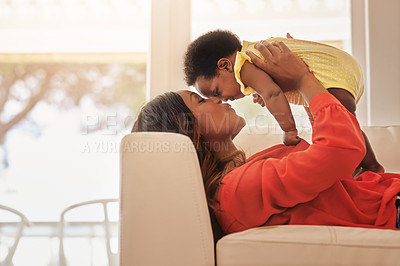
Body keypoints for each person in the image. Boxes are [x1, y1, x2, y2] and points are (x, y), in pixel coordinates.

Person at [132, 40, 400, 235]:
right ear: (188, 130)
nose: (218, 99)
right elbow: (341, 150)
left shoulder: (249, 169)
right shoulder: (237, 190)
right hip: (391, 211)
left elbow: (332, 151)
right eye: (201, 100)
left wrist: (307, 81)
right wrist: (302, 79)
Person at [183, 29, 384, 176]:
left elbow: (273, 94)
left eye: (217, 91)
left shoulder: (245, 63)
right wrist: (264, 90)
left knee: (343, 127)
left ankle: (373, 167)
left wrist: (288, 130)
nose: (222, 100)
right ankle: (362, 168)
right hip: (341, 70)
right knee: (328, 126)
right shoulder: (254, 58)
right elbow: (272, 89)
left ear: (225, 65)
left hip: (332, 74)